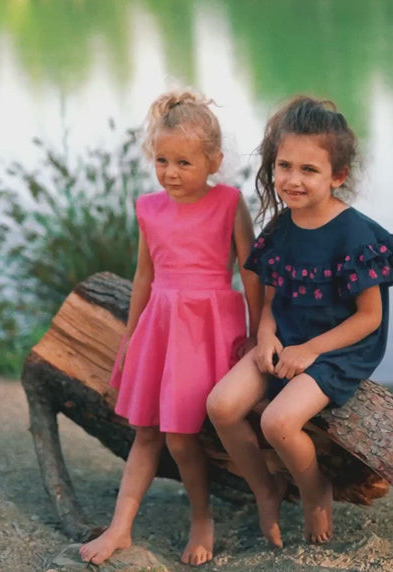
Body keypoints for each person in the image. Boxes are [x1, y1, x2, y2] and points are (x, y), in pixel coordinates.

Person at [207, 95, 393, 548]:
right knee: (221, 406)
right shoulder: (281, 228)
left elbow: (369, 318)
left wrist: (310, 351)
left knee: (278, 422)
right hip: (287, 335)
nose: (293, 179)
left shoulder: (353, 233)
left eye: (309, 170)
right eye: (284, 166)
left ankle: (313, 489)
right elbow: (272, 300)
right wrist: (265, 335)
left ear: (337, 176)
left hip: (338, 348)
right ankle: (266, 488)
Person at [79, 89, 262, 567]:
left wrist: (257, 333)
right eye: (162, 160)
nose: (171, 172)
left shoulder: (229, 203)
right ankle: (120, 527)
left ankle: (202, 517)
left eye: (184, 162)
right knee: (146, 433)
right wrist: (131, 335)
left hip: (207, 330)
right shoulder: (148, 208)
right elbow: (144, 275)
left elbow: (251, 272)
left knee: (181, 437)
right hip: (160, 327)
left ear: (214, 161)